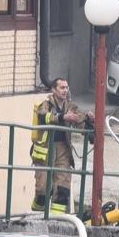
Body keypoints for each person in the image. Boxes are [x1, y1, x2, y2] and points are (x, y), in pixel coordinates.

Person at [30, 77, 89, 214]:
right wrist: (62, 117)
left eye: (66, 87)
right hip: (45, 152)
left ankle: (58, 220)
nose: (65, 90)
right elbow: (43, 117)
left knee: (62, 188)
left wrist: (88, 120)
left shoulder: (71, 106)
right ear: (53, 90)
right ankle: (38, 213)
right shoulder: (45, 104)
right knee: (43, 190)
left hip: (63, 150)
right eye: (62, 88)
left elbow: (79, 119)